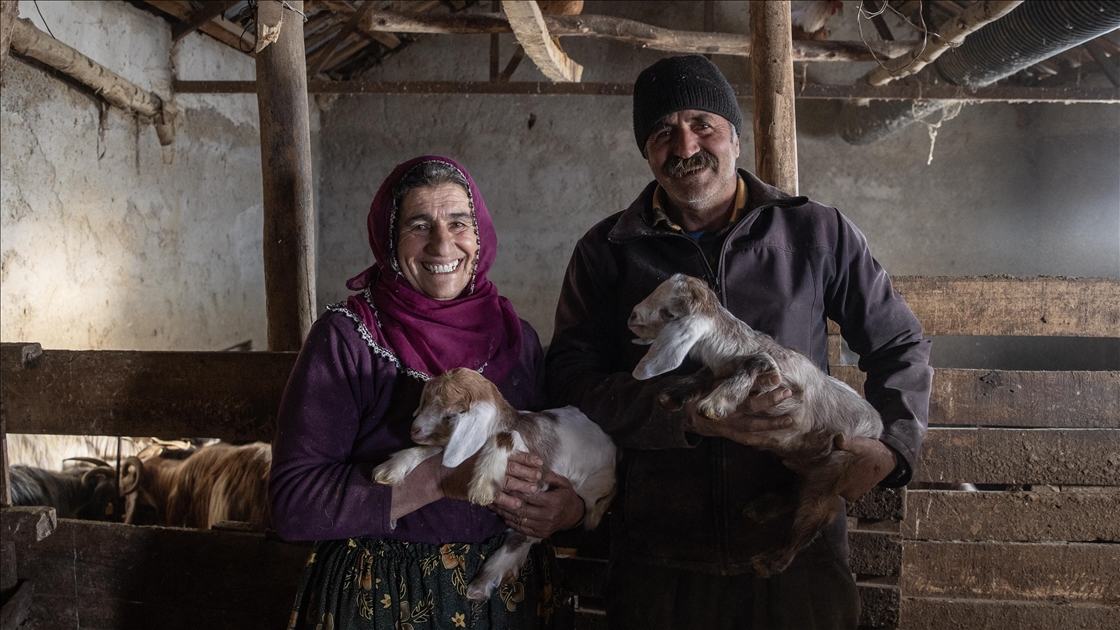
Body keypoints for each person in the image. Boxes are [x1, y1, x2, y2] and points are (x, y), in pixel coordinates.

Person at [545, 56, 934, 629]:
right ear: (646, 152)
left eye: (702, 123)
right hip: (660, 552)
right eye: (662, 133)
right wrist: (686, 419)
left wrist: (894, 447)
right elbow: (571, 378)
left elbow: (899, 343)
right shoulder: (608, 250)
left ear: (734, 132)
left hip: (795, 552)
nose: (684, 145)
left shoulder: (815, 232)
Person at [270, 156, 586, 630]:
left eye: (459, 222)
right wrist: (438, 480)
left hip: (508, 599)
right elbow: (293, 506)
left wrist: (569, 509)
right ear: (389, 241)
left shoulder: (517, 341)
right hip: (383, 598)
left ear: (480, 237)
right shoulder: (347, 339)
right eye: (419, 225)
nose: (443, 243)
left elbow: (555, 457)